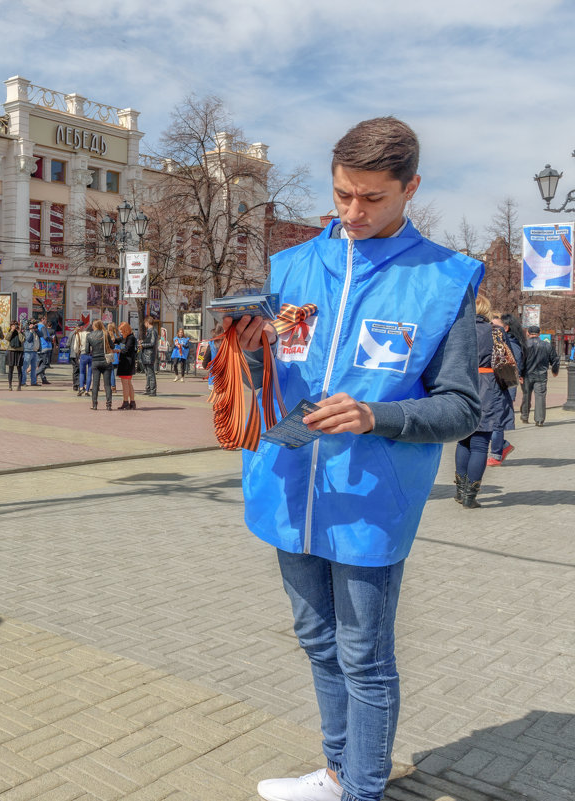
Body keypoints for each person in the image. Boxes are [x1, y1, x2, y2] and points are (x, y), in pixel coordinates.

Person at [229, 118, 481, 801]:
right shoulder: (292, 267)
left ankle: (363, 790)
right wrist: (240, 357)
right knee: (315, 638)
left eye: (372, 198)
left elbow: (464, 408)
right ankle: (338, 770)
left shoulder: (444, 280)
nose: (352, 212)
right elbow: (273, 377)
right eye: (342, 194)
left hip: (371, 497)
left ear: (411, 188)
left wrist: (380, 414)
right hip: (288, 484)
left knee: (363, 655)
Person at [453, 294, 497, 508]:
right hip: (486, 386)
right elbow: (506, 362)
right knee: (480, 444)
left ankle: (460, 491)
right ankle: (471, 496)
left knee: (463, 440)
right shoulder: (494, 332)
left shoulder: (460, 329)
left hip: (462, 385)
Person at [486, 313, 521, 466]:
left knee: (496, 422)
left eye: (495, 326)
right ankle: (503, 446)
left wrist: (511, 392)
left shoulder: (511, 345)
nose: (491, 329)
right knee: (488, 423)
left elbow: (512, 370)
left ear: (505, 329)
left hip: (500, 387)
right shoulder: (493, 340)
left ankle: (496, 454)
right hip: (489, 387)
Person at [520, 325, 559, 427]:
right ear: (539, 333)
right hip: (541, 375)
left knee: (526, 395)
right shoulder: (547, 345)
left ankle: (524, 416)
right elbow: (555, 359)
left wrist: (520, 374)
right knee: (540, 397)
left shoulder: (524, 345)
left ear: (528, 333)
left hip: (527, 374)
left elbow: (520, 361)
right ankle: (540, 420)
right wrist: (555, 371)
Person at [86, 319, 114, 410]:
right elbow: (112, 346)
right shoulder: (106, 334)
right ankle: (108, 405)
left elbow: (87, 351)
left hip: (95, 361)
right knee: (107, 385)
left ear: (94, 326)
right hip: (106, 361)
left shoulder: (89, 335)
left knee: (95, 384)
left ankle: (94, 405)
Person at [116, 322, 139, 409]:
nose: (121, 333)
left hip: (127, 364)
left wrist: (117, 351)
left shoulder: (131, 338)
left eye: (122, 331)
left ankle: (126, 402)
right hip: (126, 363)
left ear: (126, 330)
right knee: (128, 383)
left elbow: (126, 350)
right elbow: (117, 340)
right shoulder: (125, 338)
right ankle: (132, 403)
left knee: (125, 384)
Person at [140, 316, 159, 396]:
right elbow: (150, 341)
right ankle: (148, 389)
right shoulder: (150, 331)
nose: (144, 324)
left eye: (145, 323)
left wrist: (143, 344)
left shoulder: (153, 331)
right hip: (146, 354)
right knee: (148, 373)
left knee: (151, 373)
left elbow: (152, 343)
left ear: (147, 323)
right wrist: (143, 342)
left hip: (149, 354)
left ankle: (152, 390)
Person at [72, 324, 92, 396]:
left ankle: (81, 388)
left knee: (82, 372)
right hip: (91, 355)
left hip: (83, 354)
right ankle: (87, 390)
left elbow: (75, 347)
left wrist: (77, 352)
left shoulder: (78, 335)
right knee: (90, 373)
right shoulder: (91, 334)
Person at [5, 320, 25, 390]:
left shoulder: (21, 332)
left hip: (19, 351)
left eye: (16, 325)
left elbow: (22, 340)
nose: (15, 327)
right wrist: (12, 330)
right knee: (11, 369)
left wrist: (19, 332)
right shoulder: (10, 331)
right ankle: (10, 385)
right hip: (11, 351)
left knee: (19, 369)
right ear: (11, 326)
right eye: (13, 325)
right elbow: (7, 338)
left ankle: (19, 386)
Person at [36, 318, 53, 385]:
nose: (46, 321)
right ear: (42, 319)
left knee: (40, 364)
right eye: (45, 320)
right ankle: (35, 374)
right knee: (46, 364)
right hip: (45, 346)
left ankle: (43, 379)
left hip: (39, 347)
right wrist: (51, 338)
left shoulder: (37, 326)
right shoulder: (43, 327)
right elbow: (45, 337)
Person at [23, 322, 41, 386]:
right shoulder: (27, 331)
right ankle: (23, 382)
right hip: (28, 350)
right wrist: (30, 330)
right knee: (25, 367)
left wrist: (36, 329)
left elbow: (41, 335)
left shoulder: (36, 331)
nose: (34, 326)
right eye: (33, 324)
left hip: (35, 351)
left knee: (34, 367)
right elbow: (28, 339)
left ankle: (33, 382)